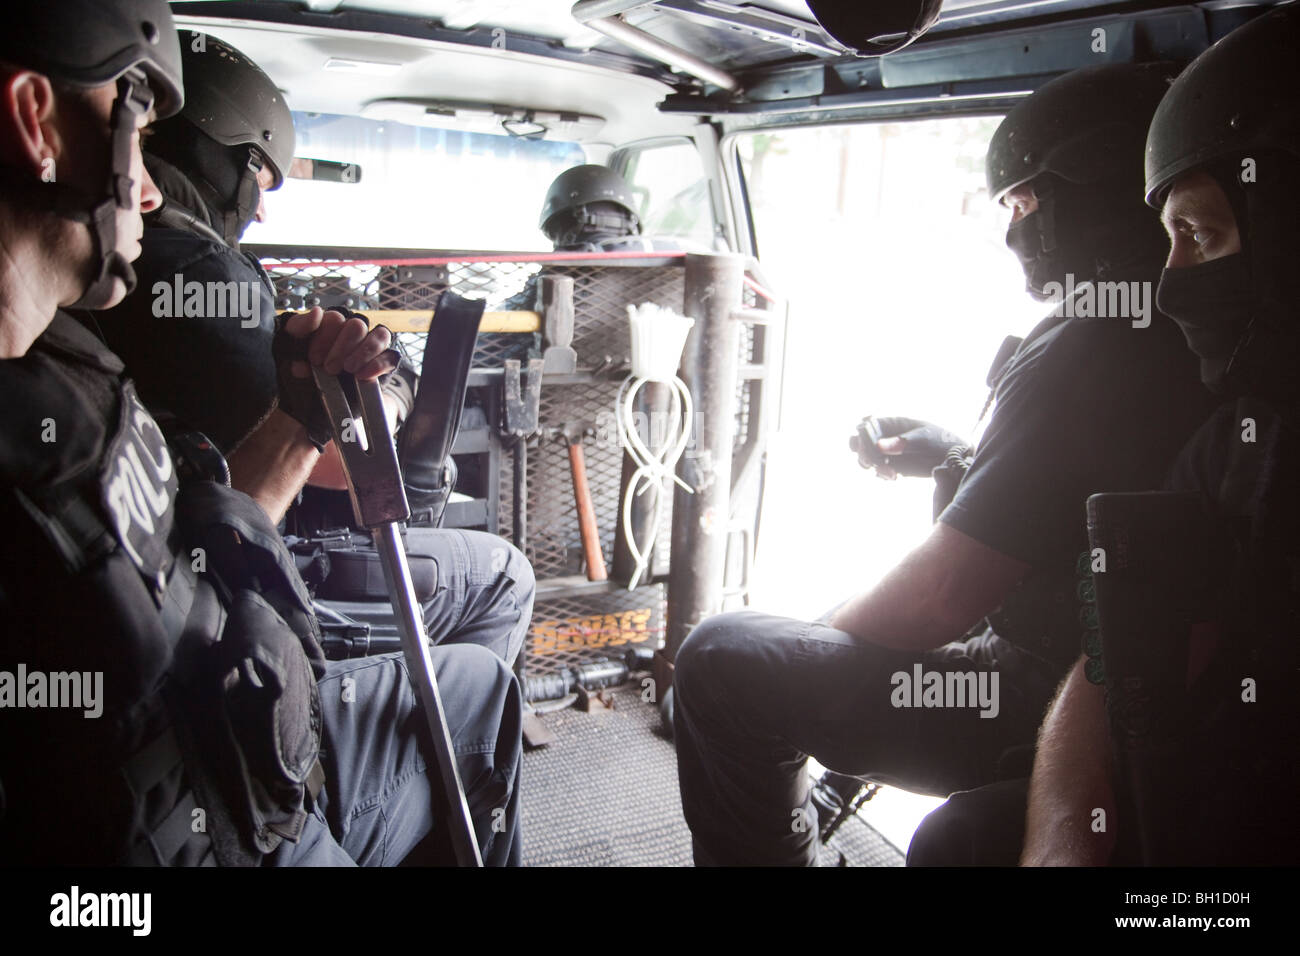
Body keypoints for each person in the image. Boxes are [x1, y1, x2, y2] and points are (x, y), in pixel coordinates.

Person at [0, 0, 521, 866]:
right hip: (189, 840)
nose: (152, 186)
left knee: (478, 689)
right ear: (34, 120)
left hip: (257, 765)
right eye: (132, 124)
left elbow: (190, 546)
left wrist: (299, 420)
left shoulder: (73, 359)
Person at [671, 62, 1218, 866]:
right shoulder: (1169, 326)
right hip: (1109, 680)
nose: (1013, 230)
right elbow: (1067, 487)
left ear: (1091, 189)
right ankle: (828, 788)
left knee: (725, 661)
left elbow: (937, 601)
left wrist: (807, 656)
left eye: (1025, 202)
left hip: (1038, 694)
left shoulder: (1090, 344)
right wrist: (956, 452)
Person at [94, 33, 534, 670]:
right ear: (220, 158)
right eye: (260, 183)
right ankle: (384, 735)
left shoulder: (121, 263)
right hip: (239, 577)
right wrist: (393, 386)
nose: (262, 215)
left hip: (178, 562)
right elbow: (337, 465)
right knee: (504, 574)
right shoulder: (201, 272)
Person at [1020, 3, 1300, 866]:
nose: (1171, 285)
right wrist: (1065, 840)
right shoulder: (1248, 440)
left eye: (1200, 236)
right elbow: (1116, 654)